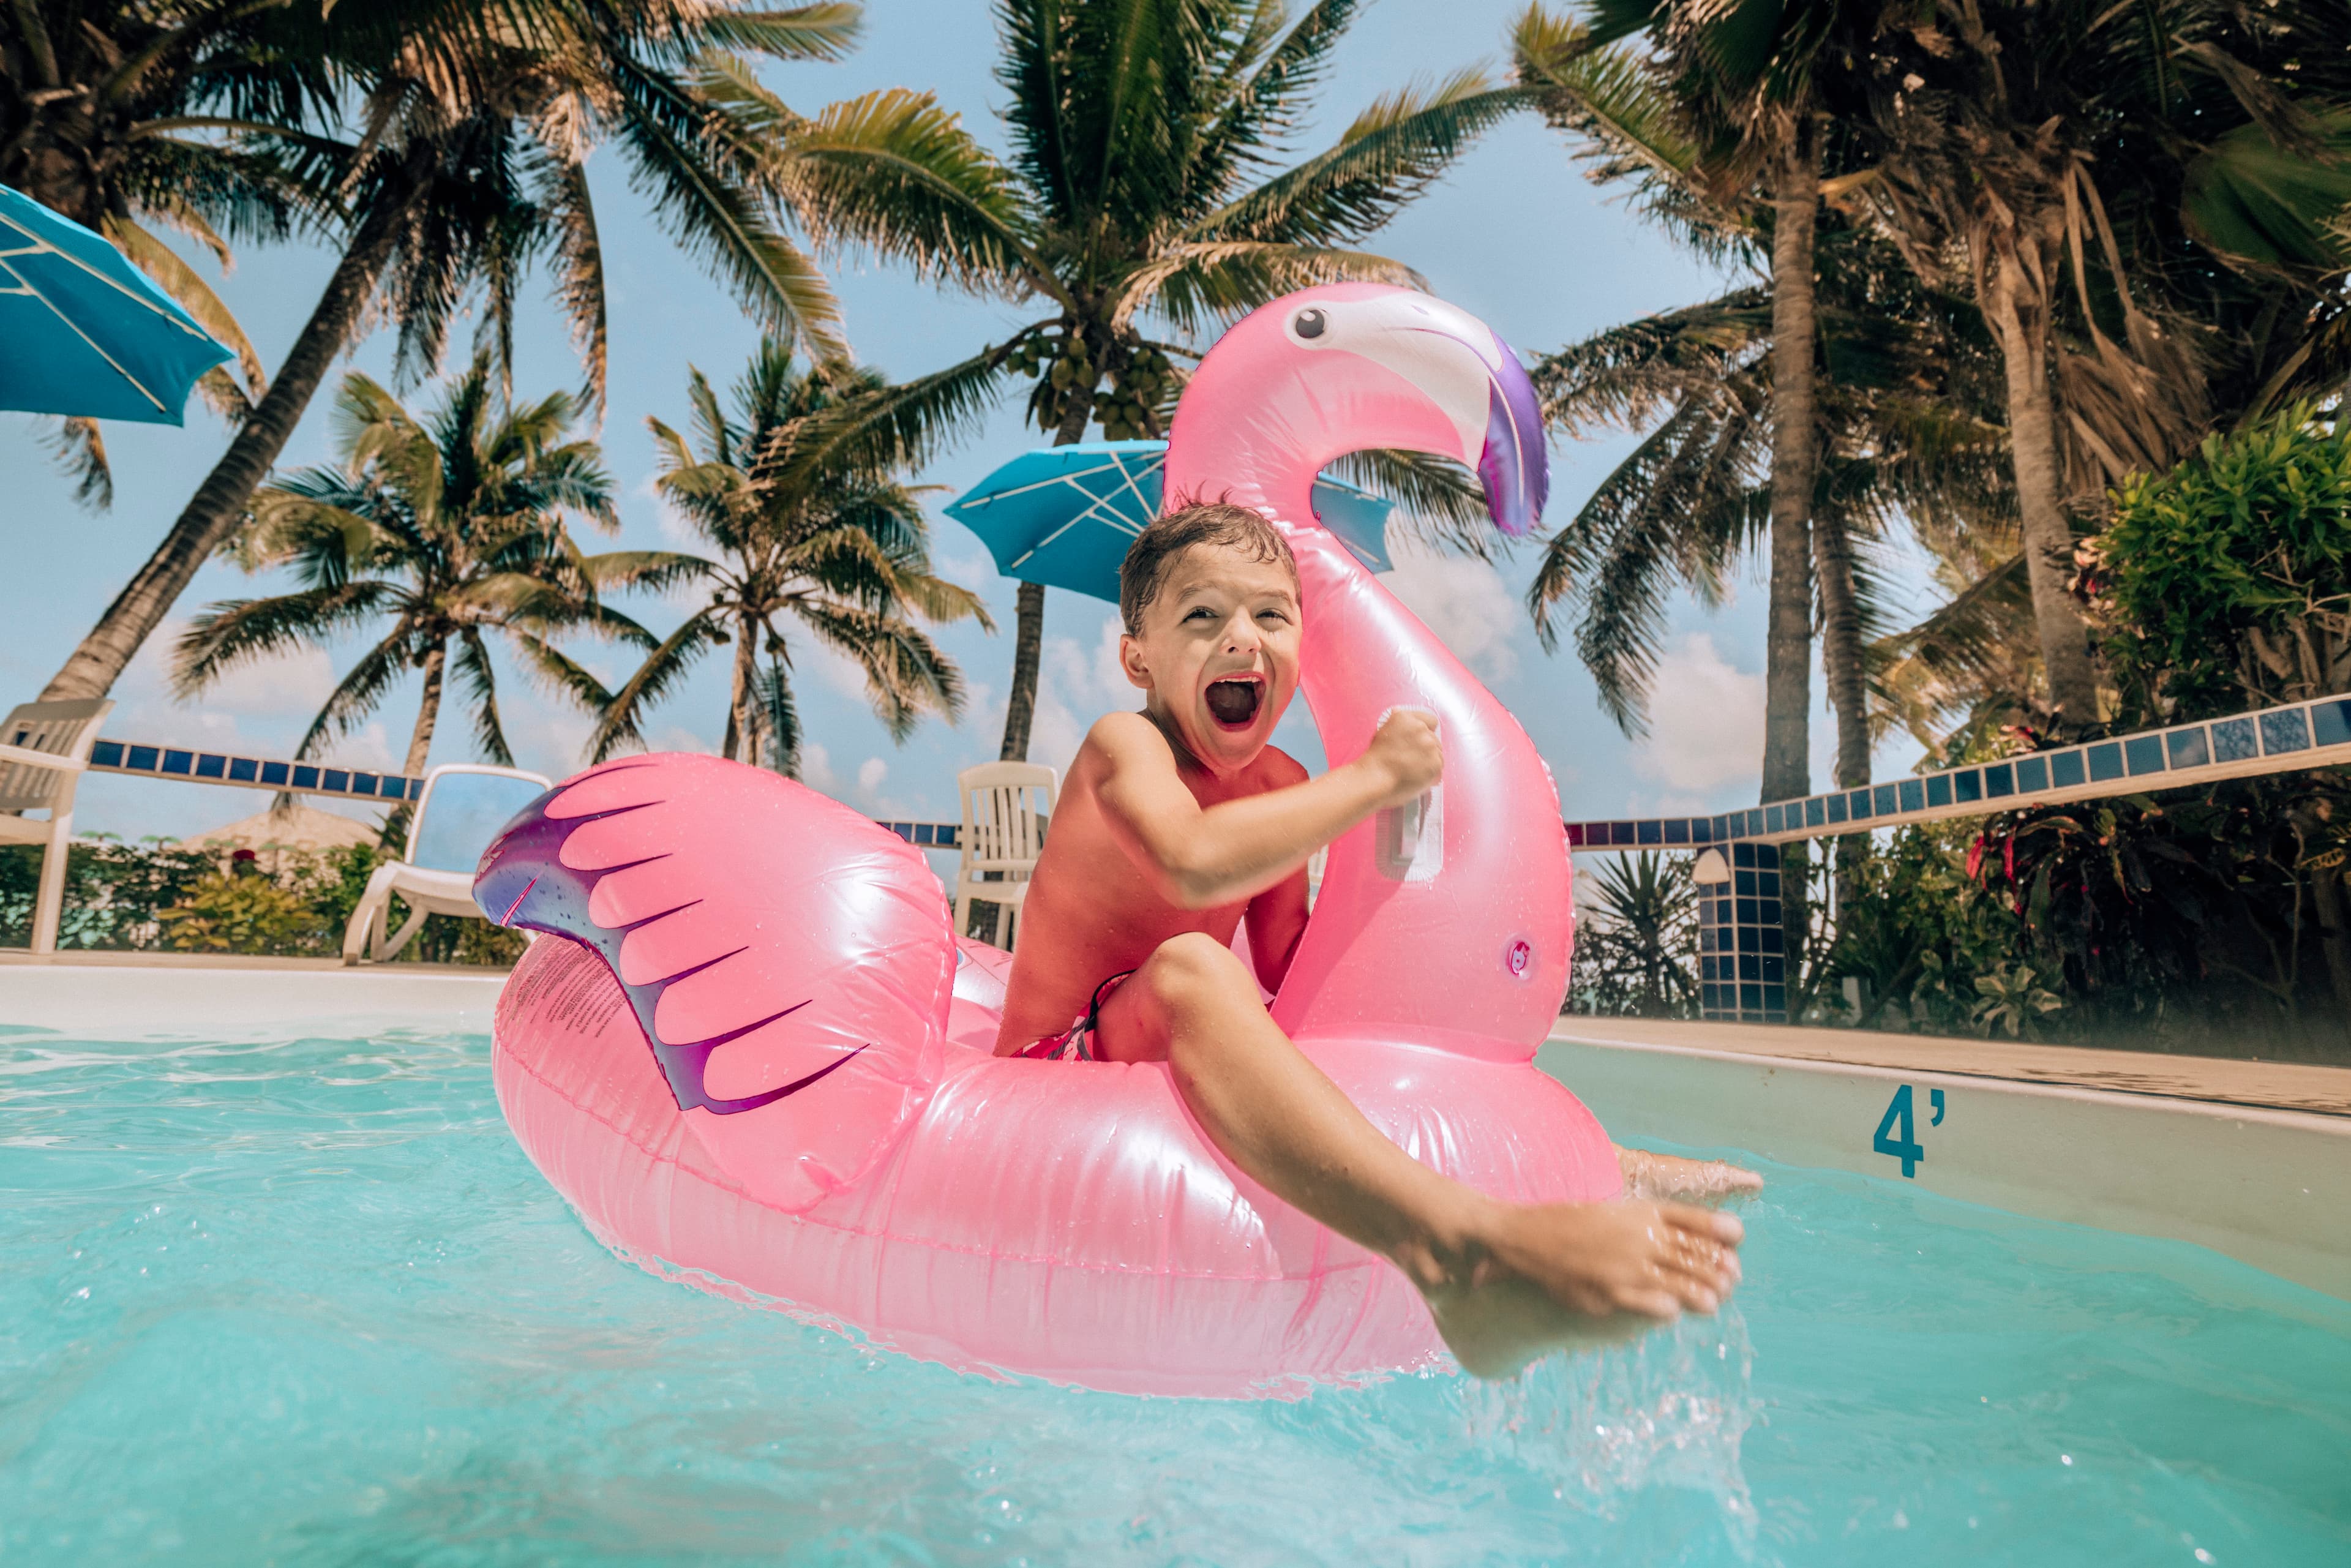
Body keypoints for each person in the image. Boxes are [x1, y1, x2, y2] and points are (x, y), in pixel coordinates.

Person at [994, 501, 1760, 1378]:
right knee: (1193, 969)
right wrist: (1370, 780)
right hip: (1051, 1066)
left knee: (1253, 1006)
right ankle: (1453, 1250)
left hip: (1152, 1043)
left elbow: (1291, 977)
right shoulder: (1124, 746)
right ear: (1138, 657)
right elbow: (1190, 864)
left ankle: (1599, 1165)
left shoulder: (1279, 783)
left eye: (1271, 614)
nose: (1242, 638)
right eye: (1202, 616)